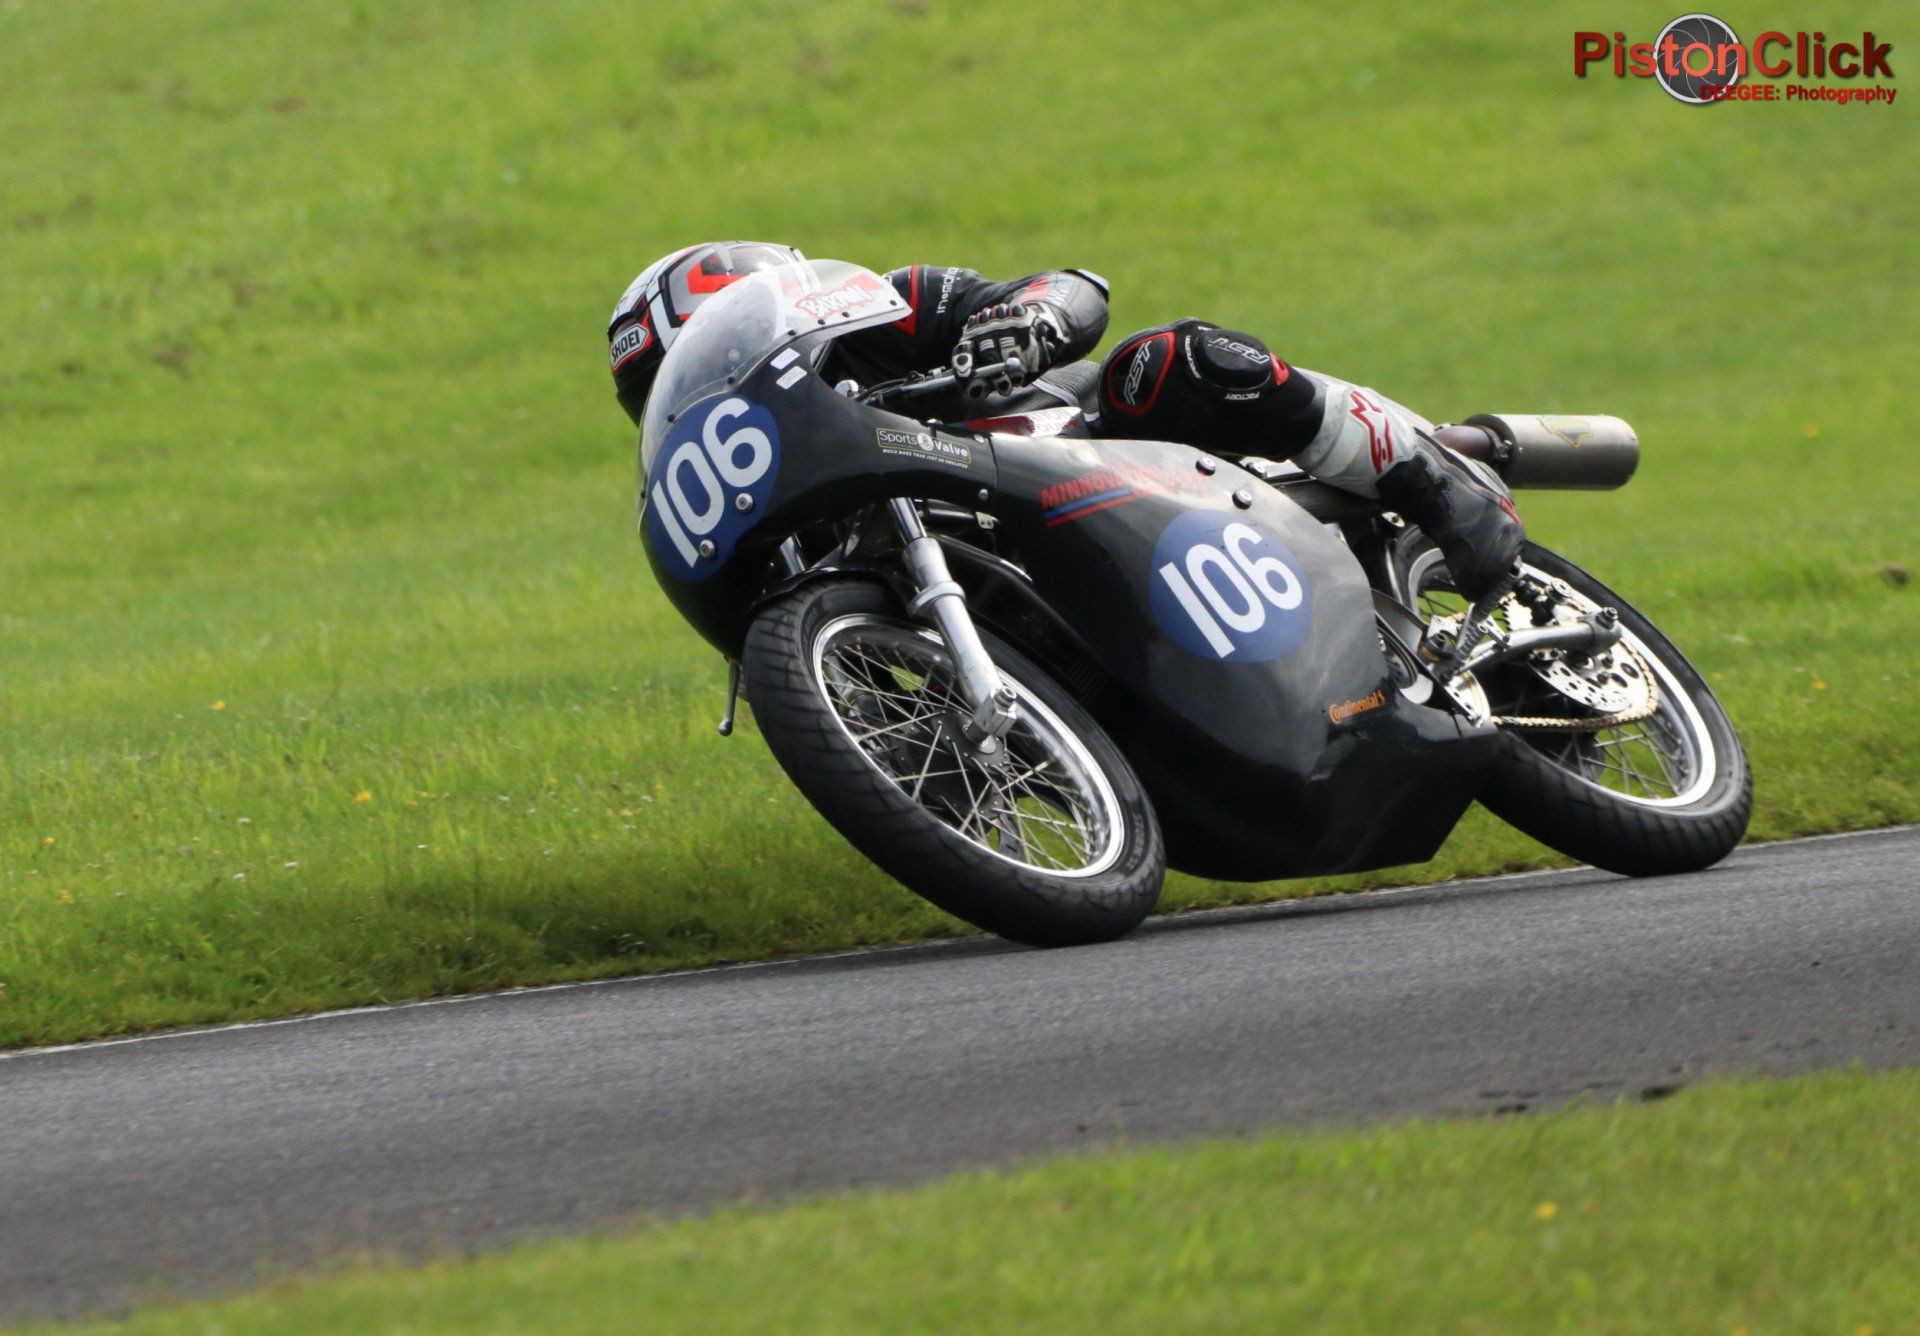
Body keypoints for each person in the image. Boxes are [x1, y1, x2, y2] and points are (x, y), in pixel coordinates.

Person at [607, 242, 1522, 598]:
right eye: (666, 389)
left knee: (1167, 362)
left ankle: (1430, 475)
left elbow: (1070, 286)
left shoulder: (885, 309)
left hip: (1099, 453)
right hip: (1042, 576)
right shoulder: (767, 518)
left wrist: (1027, 324)